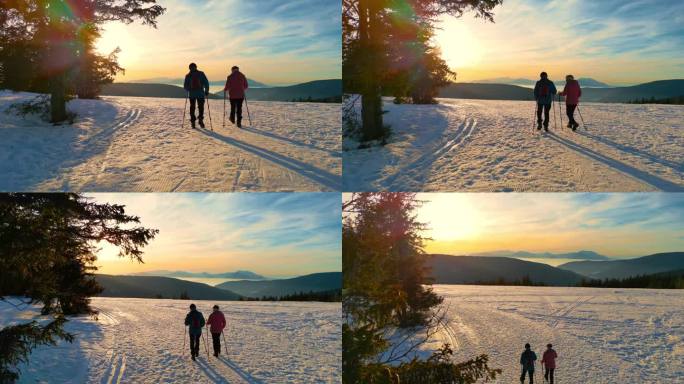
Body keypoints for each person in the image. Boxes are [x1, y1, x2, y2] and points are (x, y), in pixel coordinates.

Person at [184, 63, 210, 129]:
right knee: (201, 107)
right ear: (196, 67)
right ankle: (200, 120)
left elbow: (185, 86)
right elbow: (206, 83)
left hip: (192, 94)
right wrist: (206, 91)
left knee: (192, 107)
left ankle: (193, 122)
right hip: (200, 93)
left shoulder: (188, 75)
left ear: (189, 68)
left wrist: (188, 89)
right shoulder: (201, 73)